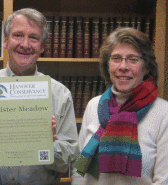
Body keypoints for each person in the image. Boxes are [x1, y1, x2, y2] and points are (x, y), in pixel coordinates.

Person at [0, 8, 79, 184]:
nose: (25, 44)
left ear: (42, 47)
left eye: (34, 38)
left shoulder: (61, 94)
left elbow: (70, 160)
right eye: (18, 35)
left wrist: (48, 144)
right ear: (5, 41)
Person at [72, 27, 168, 184]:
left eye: (133, 59)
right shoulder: (93, 106)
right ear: (108, 65)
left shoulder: (164, 113)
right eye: (116, 58)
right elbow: (79, 172)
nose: (123, 66)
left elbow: (164, 180)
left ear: (147, 68)